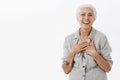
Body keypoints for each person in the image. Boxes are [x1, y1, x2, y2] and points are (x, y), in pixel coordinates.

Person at [61, 4, 113, 80]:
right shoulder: (69, 39)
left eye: (90, 15)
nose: (86, 18)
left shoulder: (101, 38)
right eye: (82, 14)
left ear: (94, 18)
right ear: (77, 18)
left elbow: (108, 68)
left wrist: (94, 54)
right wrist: (73, 52)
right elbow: (66, 70)